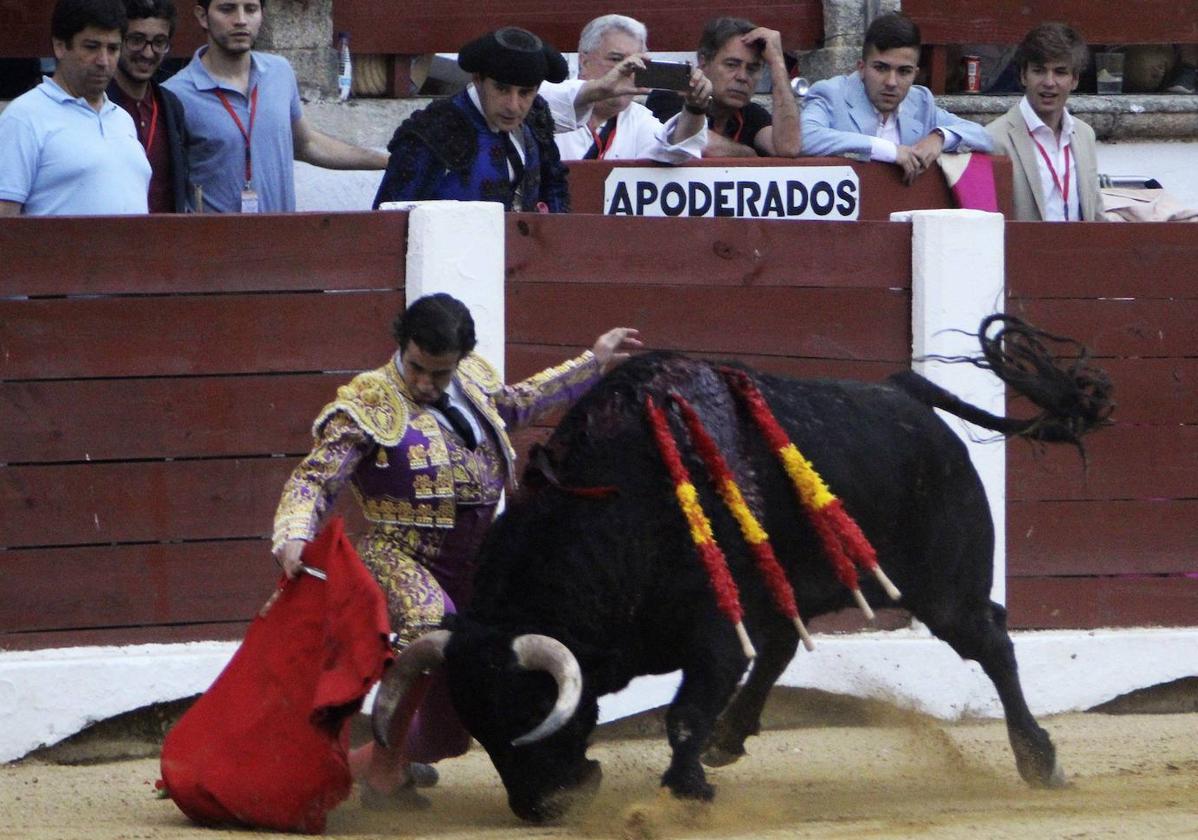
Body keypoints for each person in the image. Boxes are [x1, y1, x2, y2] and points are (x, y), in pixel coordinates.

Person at [271, 293, 641, 806]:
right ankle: (383, 777)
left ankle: (365, 763)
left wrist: (591, 362)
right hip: (399, 552)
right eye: (418, 368)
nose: (425, 383)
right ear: (403, 344)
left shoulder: (472, 382)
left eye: (439, 374)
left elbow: (518, 402)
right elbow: (314, 478)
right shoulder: (367, 403)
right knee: (429, 623)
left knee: (452, 725)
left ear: (460, 361)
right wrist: (294, 532)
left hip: (475, 562)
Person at [164, 0, 388, 213]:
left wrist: (387, 160)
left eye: (251, 9)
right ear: (202, 16)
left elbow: (306, 144)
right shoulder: (176, 94)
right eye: (227, 9)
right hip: (213, 246)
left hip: (281, 239)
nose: (241, 20)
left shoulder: (279, 72)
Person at [373, 27, 571, 212]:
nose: (513, 105)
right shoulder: (437, 128)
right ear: (477, 79)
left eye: (525, 93)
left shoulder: (536, 115)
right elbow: (390, 215)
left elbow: (554, 188)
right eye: (501, 89)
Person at [801, 12, 993, 184]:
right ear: (861, 67)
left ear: (915, 73)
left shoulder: (921, 101)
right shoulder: (831, 93)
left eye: (904, 71)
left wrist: (939, 137)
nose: (891, 82)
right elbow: (803, 138)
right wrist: (890, 150)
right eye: (881, 68)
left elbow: (983, 136)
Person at [0, 0, 150, 216]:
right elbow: (5, 222)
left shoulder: (122, 119)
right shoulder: (24, 117)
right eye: (91, 47)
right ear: (60, 46)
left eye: (113, 49)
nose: (104, 61)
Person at [538, 14, 710, 163]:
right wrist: (602, 87)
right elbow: (539, 102)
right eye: (615, 59)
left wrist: (695, 108)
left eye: (636, 63)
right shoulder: (553, 98)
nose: (627, 70)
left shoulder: (639, 119)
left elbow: (676, 151)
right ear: (584, 61)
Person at [985, 23, 1101, 222]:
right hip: (1023, 251)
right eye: (1039, 71)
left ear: (1075, 80)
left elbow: (1095, 212)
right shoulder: (995, 138)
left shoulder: (1084, 134)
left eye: (1060, 72)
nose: (1049, 82)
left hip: (1078, 250)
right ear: (1023, 75)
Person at [645, 17, 801, 158]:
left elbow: (788, 148)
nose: (742, 77)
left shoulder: (751, 114)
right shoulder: (670, 96)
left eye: (752, 69)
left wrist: (777, 62)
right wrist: (749, 154)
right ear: (703, 62)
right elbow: (699, 145)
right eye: (731, 65)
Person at [107, 0, 190, 212]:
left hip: (167, 239)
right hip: (113, 237)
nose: (148, 52)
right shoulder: (98, 103)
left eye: (159, 42)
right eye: (136, 40)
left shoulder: (171, 106)